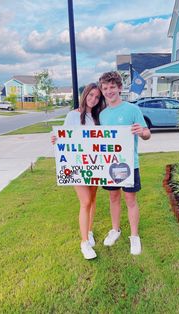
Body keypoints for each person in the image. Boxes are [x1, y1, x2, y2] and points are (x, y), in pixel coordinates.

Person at [98, 71, 151, 255]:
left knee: (130, 199)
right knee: (113, 198)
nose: (109, 91)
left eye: (112, 87)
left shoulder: (132, 109)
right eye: (105, 88)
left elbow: (147, 134)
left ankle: (134, 236)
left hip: (129, 164)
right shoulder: (103, 115)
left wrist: (142, 132)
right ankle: (115, 230)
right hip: (109, 164)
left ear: (119, 88)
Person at [51, 83, 105, 260]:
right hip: (76, 166)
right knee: (85, 201)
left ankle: (89, 231)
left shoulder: (99, 117)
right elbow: (64, 137)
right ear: (85, 95)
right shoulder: (72, 116)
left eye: (97, 97)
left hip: (95, 164)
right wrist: (56, 139)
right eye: (91, 95)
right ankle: (84, 243)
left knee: (93, 199)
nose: (93, 100)